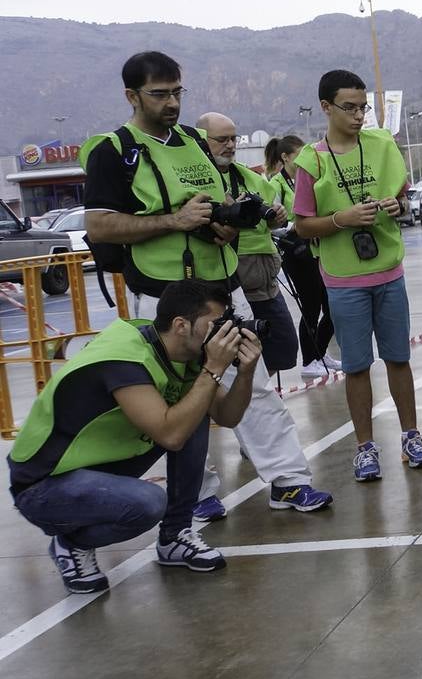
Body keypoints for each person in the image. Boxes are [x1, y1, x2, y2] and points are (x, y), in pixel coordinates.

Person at [82, 52, 332, 518]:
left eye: (178, 92)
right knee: (175, 392)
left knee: (249, 379)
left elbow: (220, 206)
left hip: (220, 286)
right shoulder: (113, 151)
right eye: (159, 94)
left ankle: (288, 480)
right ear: (131, 96)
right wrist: (175, 220)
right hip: (162, 293)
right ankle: (196, 493)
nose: (171, 103)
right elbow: (98, 226)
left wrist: (226, 225)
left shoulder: (196, 144)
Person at [7, 280, 255, 593]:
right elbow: (171, 436)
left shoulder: (179, 350)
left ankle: (175, 536)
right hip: (44, 486)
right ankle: (71, 544)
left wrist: (245, 372)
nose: (224, 333)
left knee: (196, 408)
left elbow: (228, 416)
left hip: (99, 466)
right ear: (181, 325)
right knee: (147, 503)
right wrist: (213, 368)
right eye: (215, 325)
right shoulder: (125, 358)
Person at [292, 69, 422, 481]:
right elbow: (302, 225)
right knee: (356, 366)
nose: (358, 116)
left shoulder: (382, 146)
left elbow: (404, 202)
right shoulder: (312, 159)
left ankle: (412, 436)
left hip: (388, 271)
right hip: (343, 278)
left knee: (398, 359)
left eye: (362, 108)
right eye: (348, 108)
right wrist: (341, 218)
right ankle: (365, 447)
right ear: (326, 107)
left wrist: (396, 208)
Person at [201, 113, 298, 376]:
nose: (230, 145)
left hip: (266, 281)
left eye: (233, 139)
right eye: (222, 139)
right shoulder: (197, 183)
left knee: (284, 350)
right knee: (243, 363)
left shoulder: (252, 178)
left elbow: (273, 220)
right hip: (229, 284)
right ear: (201, 140)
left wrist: (276, 216)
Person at [264, 135, 339, 378]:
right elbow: (270, 224)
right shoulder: (276, 184)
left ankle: (319, 351)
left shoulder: (304, 179)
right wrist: (296, 226)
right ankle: (308, 361)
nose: (304, 160)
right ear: (285, 158)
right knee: (311, 305)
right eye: (298, 156)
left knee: (331, 305)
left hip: (316, 248)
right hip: (295, 251)